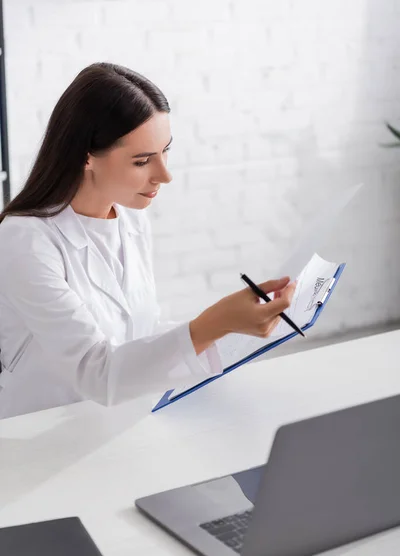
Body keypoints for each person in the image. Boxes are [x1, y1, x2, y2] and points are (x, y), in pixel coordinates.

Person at [0, 62, 295, 419]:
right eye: (142, 161)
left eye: (165, 151)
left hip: (122, 423)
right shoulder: (24, 241)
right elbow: (96, 372)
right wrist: (214, 323)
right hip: (43, 436)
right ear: (86, 156)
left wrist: (233, 324)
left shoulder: (132, 219)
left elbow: (140, 332)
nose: (165, 175)